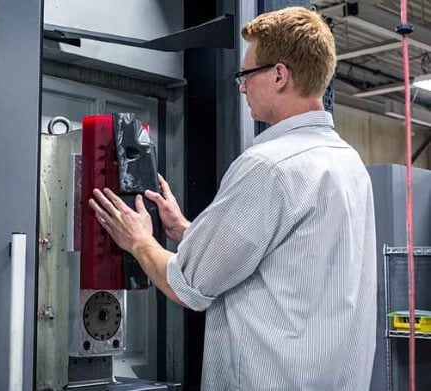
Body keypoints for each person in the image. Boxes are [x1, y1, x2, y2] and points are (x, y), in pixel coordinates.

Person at [89, 6, 376, 391]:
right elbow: (283, 262)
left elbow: (187, 287)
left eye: (246, 74)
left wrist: (139, 240)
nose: (240, 86)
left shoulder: (269, 166)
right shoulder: (348, 163)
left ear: (279, 75)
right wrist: (187, 231)